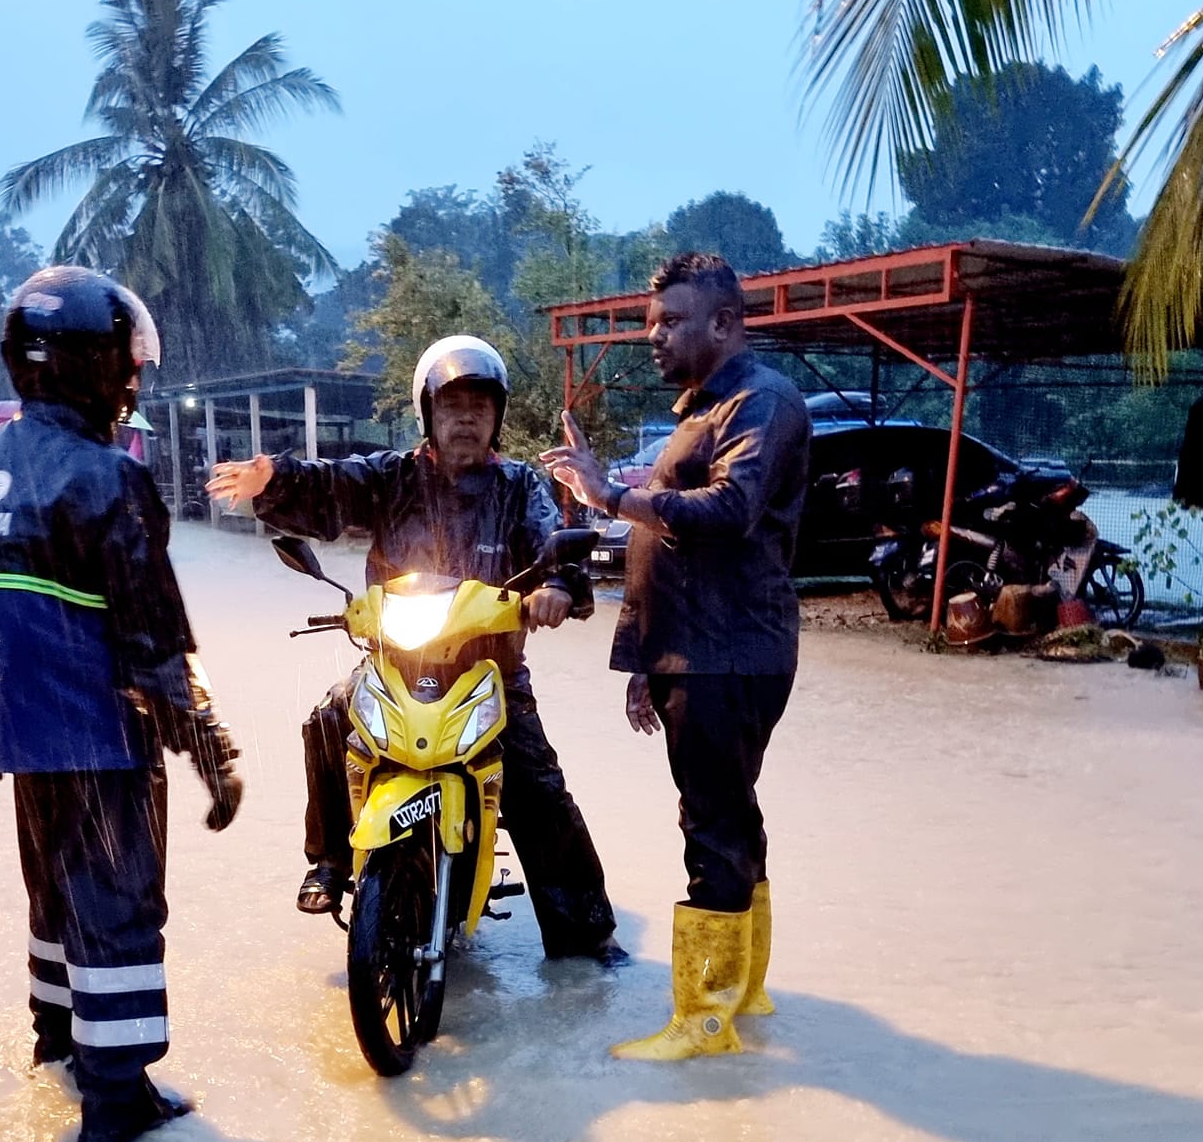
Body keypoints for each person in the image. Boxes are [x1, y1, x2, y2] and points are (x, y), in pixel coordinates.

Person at [0, 266, 244, 1142]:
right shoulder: (109, 478)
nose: (133, 382)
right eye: (123, 364)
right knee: (117, 903)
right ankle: (116, 1102)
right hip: (103, 737)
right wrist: (209, 746)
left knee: (54, 896)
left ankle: (55, 1046)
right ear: (89, 364)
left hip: (25, 739)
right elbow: (154, 639)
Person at [208, 335, 624, 965]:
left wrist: (557, 587)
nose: (467, 419)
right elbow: (331, 488)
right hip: (397, 663)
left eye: (480, 408)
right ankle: (329, 859)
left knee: (538, 785)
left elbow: (551, 546)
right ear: (428, 412)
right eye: (453, 406)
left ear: (497, 417)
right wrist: (274, 479)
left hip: (491, 670)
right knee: (328, 719)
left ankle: (587, 933)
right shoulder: (393, 477)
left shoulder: (519, 487)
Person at [541, 252, 810, 1058]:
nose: (651, 338)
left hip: (728, 654)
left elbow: (728, 511)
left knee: (713, 827)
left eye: (669, 323)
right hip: (694, 653)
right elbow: (670, 548)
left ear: (724, 323)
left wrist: (610, 496)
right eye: (650, 322)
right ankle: (745, 993)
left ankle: (705, 1021)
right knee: (732, 817)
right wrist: (646, 663)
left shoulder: (761, 403)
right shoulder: (703, 410)